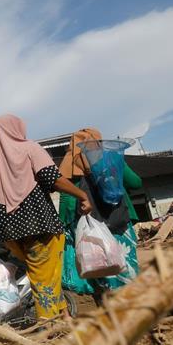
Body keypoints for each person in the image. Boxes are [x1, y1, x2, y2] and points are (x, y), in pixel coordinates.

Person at [0, 114, 93, 322]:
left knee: (46, 275)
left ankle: (64, 316)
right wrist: (82, 195)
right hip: (39, 227)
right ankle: (48, 328)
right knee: (43, 280)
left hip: (10, 234)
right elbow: (53, 179)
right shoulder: (29, 149)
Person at [58, 127, 143, 303]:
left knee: (99, 270)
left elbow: (65, 209)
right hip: (118, 223)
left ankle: (109, 311)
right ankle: (134, 309)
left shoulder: (67, 167)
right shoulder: (111, 159)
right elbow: (136, 183)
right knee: (125, 268)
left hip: (90, 232)